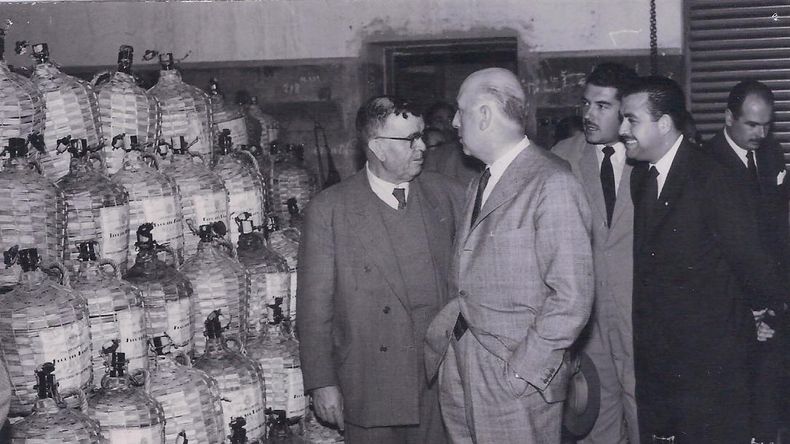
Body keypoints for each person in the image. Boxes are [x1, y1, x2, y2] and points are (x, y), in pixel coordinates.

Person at [424, 67, 594, 443]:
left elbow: (572, 298)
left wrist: (523, 371)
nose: (454, 121)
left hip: (514, 380)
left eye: (460, 111)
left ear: (484, 114)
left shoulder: (552, 183)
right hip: (463, 365)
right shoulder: (482, 180)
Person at [621, 76, 788, 443]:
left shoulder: (711, 176)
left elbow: (753, 261)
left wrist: (762, 314)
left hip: (712, 365)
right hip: (664, 363)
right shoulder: (642, 178)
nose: (622, 130)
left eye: (631, 120)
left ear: (663, 124)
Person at [297, 95, 464, 444]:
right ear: (377, 147)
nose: (421, 147)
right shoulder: (330, 209)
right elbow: (314, 307)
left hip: (438, 382)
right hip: (369, 382)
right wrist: (322, 382)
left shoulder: (448, 195)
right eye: (409, 140)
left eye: (421, 135)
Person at [552, 62, 639, 444]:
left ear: (626, 110)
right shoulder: (560, 159)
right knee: (594, 423)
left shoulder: (651, 156)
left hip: (641, 316)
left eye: (602, 106)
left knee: (645, 417)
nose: (588, 115)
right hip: (586, 324)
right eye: (586, 104)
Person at [701, 79, 789, 442]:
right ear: (728, 117)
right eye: (752, 124)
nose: (760, 133)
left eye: (767, 124)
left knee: (771, 395)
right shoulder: (706, 163)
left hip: (774, 295)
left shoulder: (772, 153)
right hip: (733, 302)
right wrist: (749, 308)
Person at [423, 102, 483, 185]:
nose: (446, 125)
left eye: (450, 119)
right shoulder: (424, 152)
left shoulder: (464, 153)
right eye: (439, 121)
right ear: (428, 124)